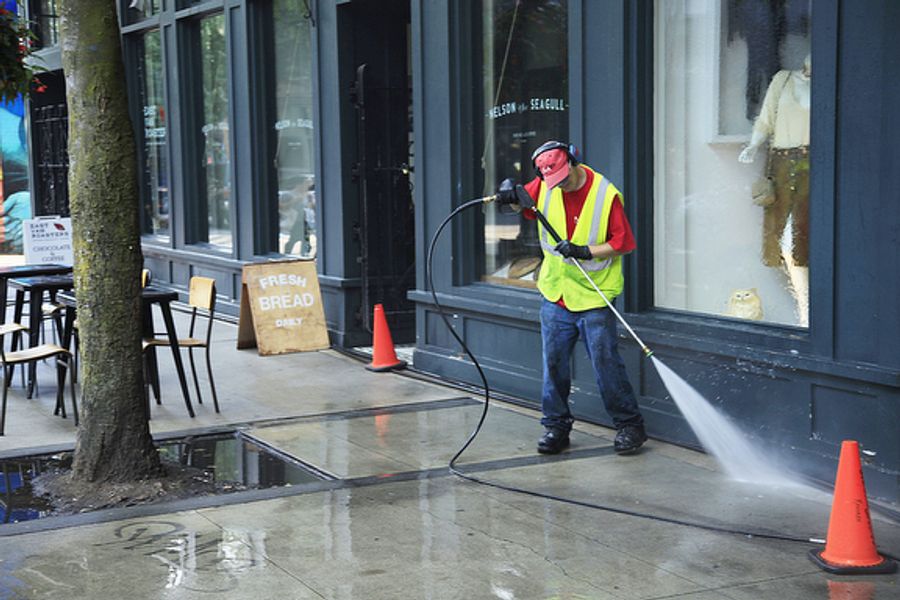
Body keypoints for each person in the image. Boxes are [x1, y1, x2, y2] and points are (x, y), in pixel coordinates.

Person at [499, 140, 647, 455]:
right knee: (553, 364)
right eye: (553, 181)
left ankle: (629, 425)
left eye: (564, 178)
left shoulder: (605, 195)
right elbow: (525, 204)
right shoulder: (546, 182)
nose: (559, 185)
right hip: (556, 292)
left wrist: (585, 251)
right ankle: (556, 427)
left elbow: (622, 242)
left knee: (606, 363)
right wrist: (509, 197)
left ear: (574, 162)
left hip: (594, 294)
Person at [739, 54, 810, 325]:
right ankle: (805, 308)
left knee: (808, 240)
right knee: (785, 241)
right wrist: (752, 146)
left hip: (814, 166)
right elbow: (766, 119)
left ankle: (808, 312)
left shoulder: (830, 82)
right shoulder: (783, 80)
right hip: (782, 166)